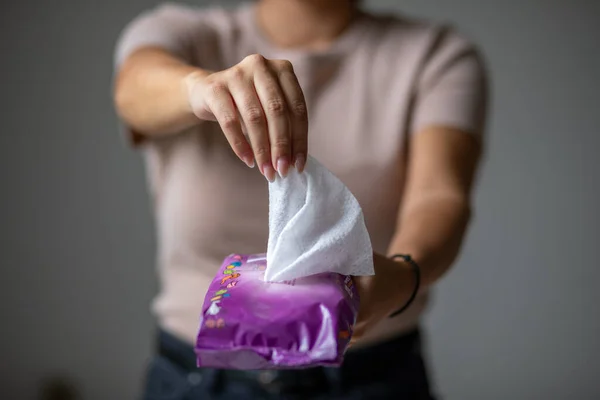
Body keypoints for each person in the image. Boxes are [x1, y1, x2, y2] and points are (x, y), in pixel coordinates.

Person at [113, 0, 488, 398]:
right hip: (195, 379)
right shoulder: (182, 33)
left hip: (372, 376)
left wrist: (403, 275)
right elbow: (133, 91)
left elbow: (440, 195)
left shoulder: (435, 55)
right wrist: (201, 88)